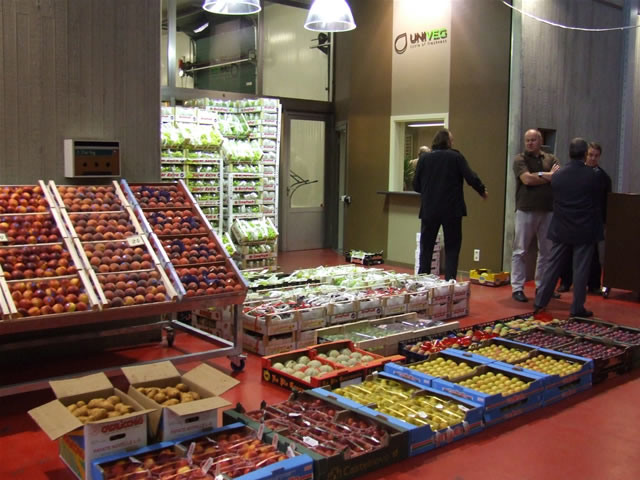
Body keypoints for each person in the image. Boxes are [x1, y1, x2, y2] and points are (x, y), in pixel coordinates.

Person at [534, 137, 606, 317]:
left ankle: (540, 301)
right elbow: (597, 201)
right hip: (585, 229)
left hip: (561, 227)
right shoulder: (593, 176)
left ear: (569, 153)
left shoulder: (558, 175)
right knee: (580, 270)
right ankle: (577, 308)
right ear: (585, 154)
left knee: (552, 266)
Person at [413, 129, 487, 280]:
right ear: (447, 142)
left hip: (429, 210)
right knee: (452, 248)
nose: (453, 143)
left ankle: (423, 281)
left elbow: (416, 185)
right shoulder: (456, 157)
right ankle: (449, 281)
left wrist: (428, 193)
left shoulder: (424, 159)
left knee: (426, 248)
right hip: (452, 210)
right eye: (451, 140)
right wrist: (482, 190)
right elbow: (470, 177)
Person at [511, 129, 561, 303]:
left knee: (546, 251)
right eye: (527, 140)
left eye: (533, 140)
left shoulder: (551, 159)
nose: (530, 143)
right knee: (520, 250)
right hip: (525, 209)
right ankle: (517, 287)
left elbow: (558, 178)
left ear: (540, 141)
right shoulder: (520, 159)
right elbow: (526, 180)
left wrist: (540, 176)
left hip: (548, 210)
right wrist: (546, 176)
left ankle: (543, 286)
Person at [555, 142, 612, 293]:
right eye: (590, 155)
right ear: (585, 155)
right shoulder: (573, 173)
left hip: (592, 221)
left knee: (593, 254)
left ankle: (593, 284)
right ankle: (565, 282)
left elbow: (606, 201)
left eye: (596, 156)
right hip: (573, 218)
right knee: (567, 252)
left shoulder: (603, 178)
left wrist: (604, 221)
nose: (593, 158)